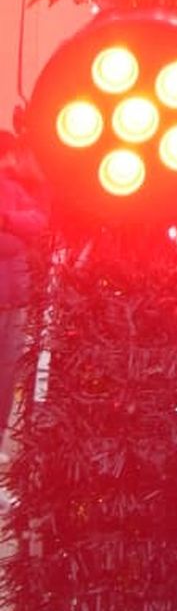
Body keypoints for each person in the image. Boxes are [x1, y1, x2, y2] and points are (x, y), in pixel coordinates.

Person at [0, 130, 48, 445]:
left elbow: (38, 223)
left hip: (14, 299)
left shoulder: (19, 189)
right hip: (12, 296)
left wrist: (6, 221)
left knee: (5, 380)